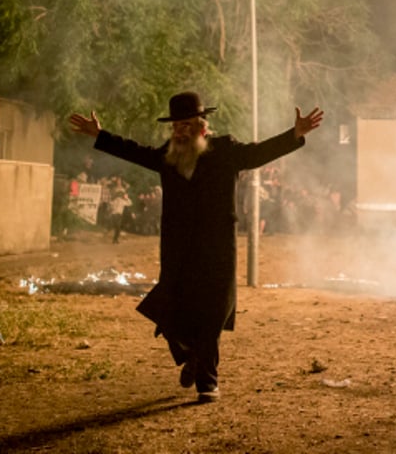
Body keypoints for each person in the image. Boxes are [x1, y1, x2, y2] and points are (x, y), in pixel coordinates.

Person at [69, 91, 322, 404]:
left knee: (212, 313)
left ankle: (207, 380)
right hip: (178, 248)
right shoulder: (168, 155)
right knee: (172, 309)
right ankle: (192, 356)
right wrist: (100, 135)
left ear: (203, 126)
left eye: (187, 125)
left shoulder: (225, 150)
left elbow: (258, 154)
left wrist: (294, 134)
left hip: (217, 249)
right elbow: (136, 152)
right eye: (176, 126)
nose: (181, 131)